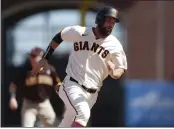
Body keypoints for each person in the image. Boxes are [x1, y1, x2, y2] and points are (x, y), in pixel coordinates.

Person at [31, 6, 128, 127]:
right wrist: (46, 57)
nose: (111, 25)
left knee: (67, 122)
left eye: (114, 22)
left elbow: (121, 68)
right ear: (100, 19)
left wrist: (115, 73)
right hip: (73, 84)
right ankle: (62, 89)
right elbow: (59, 36)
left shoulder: (115, 44)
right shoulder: (80, 32)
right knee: (83, 114)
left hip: (93, 93)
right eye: (109, 20)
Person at [9, 47, 62, 127]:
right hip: (29, 104)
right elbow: (13, 85)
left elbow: (58, 85)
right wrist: (12, 98)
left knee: (55, 125)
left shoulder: (50, 70)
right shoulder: (25, 70)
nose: (32, 58)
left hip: (44, 103)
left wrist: (66, 98)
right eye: (31, 56)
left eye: (34, 56)